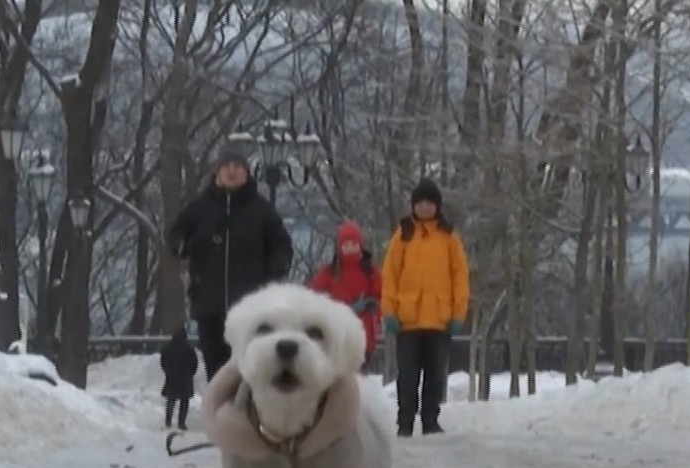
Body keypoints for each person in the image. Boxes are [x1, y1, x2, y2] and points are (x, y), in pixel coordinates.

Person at [166, 150, 294, 380]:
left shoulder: (260, 209)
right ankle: (219, 413)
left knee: (248, 370)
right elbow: (176, 233)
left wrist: (274, 276)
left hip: (249, 308)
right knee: (216, 371)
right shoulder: (201, 207)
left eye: (238, 166)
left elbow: (282, 246)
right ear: (218, 172)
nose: (232, 171)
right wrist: (181, 246)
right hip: (209, 304)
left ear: (247, 173)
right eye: (227, 166)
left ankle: (246, 413)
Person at [381, 178, 469, 436]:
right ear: (413, 206)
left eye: (430, 203)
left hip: (439, 320)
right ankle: (405, 421)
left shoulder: (449, 236)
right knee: (407, 376)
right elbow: (390, 275)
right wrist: (389, 312)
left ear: (437, 206)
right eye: (420, 203)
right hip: (407, 320)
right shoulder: (403, 234)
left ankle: (430, 420)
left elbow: (460, 276)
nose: (425, 207)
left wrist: (458, 313)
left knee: (435, 376)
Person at [308, 220, 381, 371]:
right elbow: (314, 296)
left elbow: (380, 293)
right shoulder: (330, 271)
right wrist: (341, 307)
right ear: (340, 247)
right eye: (346, 245)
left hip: (364, 330)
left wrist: (372, 304)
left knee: (360, 371)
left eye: (354, 245)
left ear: (360, 245)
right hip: (337, 331)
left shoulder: (369, 270)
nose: (351, 249)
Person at [159, 325, 198, 431]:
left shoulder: (167, 347)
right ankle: (181, 423)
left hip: (171, 377)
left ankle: (168, 421)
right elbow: (194, 364)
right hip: (185, 379)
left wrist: (168, 372)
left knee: (171, 400)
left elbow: (163, 362)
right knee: (184, 402)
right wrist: (190, 374)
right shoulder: (189, 349)